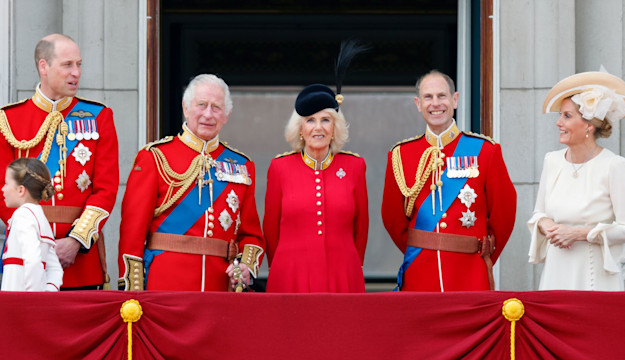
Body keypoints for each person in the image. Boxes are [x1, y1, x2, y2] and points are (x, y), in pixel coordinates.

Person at [118, 74, 265, 291]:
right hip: (165, 286)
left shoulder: (243, 166)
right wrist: (133, 291)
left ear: (226, 115)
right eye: (202, 105)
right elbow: (132, 233)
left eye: (216, 107)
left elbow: (251, 235)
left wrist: (245, 267)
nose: (208, 114)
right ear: (186, 108)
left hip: (219, 290)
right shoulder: (155, 157)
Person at [0, 34, 119, 290]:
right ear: (44, 66)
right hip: (25, 256)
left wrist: (76, 241)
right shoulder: (8, 120)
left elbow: (106, 190)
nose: (76, 72)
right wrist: (36, 241)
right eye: (67, 65)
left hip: (81, 262)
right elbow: (3, 191)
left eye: (79, 64)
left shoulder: (100, 117)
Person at [381, 70, 517, 292]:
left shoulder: (485, 151)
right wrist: (422, 248)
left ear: (455, 99)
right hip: (420, 273)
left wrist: (479, 253)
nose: (436, 103)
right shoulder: (401, 154)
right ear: (418, 103)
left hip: (470, 272)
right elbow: (392, 218)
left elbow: (504, 215)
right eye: (428, 97)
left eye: (442, 96)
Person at [528, 71, 625, 291]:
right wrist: (547, 225)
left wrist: (580, 233)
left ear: (589, 126)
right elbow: (539, 214)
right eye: (560, 115)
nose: (558, 122)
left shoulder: (614, 165)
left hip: (596, 278)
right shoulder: (552, 161)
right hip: (555, 273)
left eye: (567, 116)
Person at [263, 84, 369, 293]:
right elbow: (270, 230)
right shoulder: (279, 168)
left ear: (334, 127)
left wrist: (352, 266)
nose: (318, 127)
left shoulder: (354, 167)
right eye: (310, 120)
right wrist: (282, 266)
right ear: (300, 128)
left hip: (342, 274)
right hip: (290, 275)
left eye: (325, 120)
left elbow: (361, 228)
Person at [2, 158, 62, 291]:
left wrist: (31, 299)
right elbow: (55, 269)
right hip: (29, 304)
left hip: (18, 303)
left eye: (6, 184)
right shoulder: (41, 218)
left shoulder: (22, 215)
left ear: (21, 190)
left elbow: (33, 260)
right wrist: (47, 292)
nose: (2, 189)